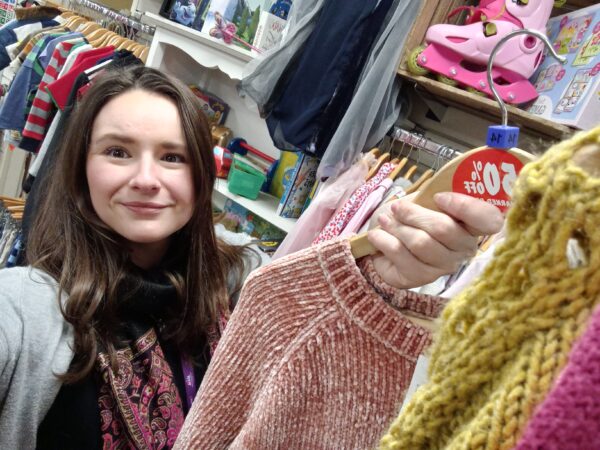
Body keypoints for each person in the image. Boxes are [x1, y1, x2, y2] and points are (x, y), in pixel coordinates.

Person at [0, 65, 503, 449]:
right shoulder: (27, 308)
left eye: (172, 157)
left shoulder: (248, 282)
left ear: (201, 176)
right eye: (118, 152)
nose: (147, 179)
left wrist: (388, 283)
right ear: (80, 171)